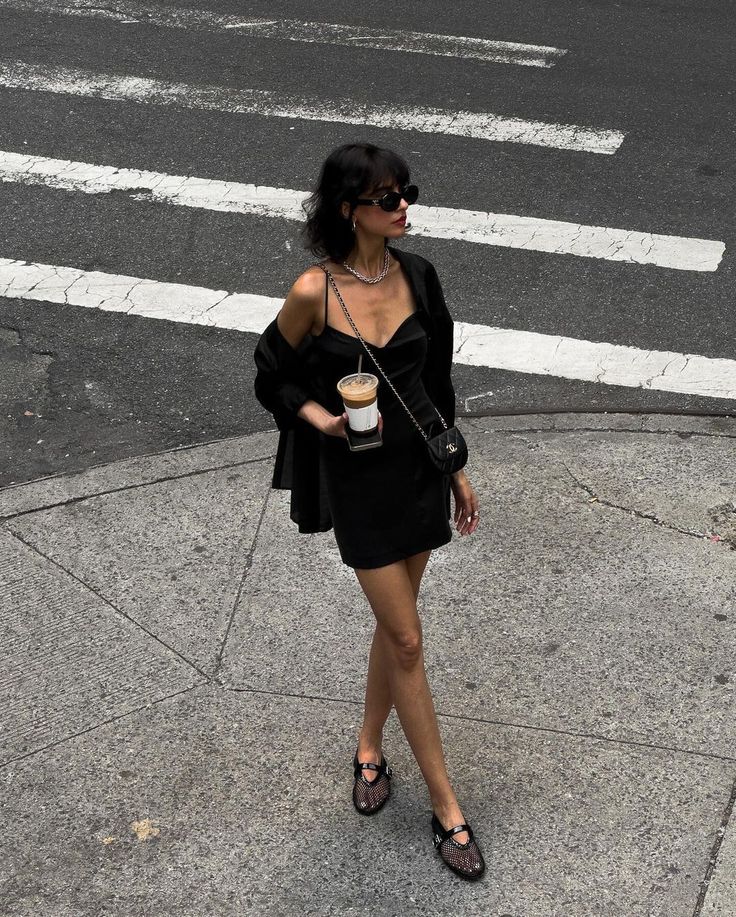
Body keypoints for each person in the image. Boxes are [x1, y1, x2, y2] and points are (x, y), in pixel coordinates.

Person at [253, 142, 485, 880]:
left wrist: (455, 467)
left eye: (406, 192)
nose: (404, 207)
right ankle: (447, 808)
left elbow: (438, 381)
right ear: (349, 209)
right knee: (410, 639)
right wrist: (320, 419)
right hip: (359, 484)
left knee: (398, 628)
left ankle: (367, 744)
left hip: (418, 472)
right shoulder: (313, 293)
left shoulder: (419, 276)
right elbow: (269, 373)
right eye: (388, 198)